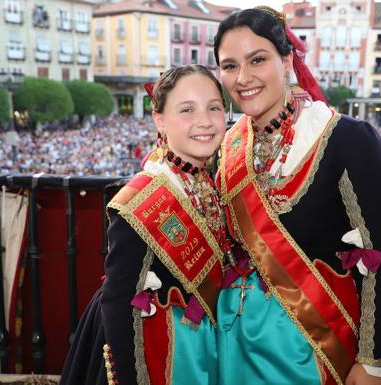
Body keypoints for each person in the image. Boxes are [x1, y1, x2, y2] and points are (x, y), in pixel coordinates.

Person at [213, 7, 381, 385]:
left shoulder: (346, 139)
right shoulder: (229, 144)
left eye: (258, 60)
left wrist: (371, 362)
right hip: (238, 345)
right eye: (229, 65)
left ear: (286, 60)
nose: (243, 78)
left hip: (320, 353)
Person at [60, 64, 230, 385]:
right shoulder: (144, 196)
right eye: (186, 110)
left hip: (193, 347)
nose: (205, 121)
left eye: (214, 108)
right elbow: (119, 302)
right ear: (159, 120)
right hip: (150, 352)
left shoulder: (206, 179)